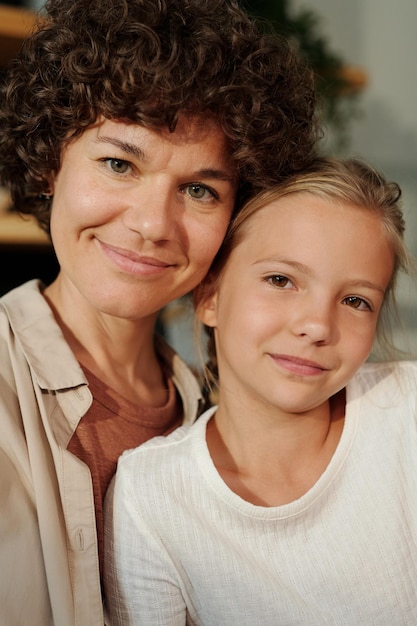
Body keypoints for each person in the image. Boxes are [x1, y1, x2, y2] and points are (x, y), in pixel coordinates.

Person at [0, 0, 319, 623]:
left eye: (200, 190)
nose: (151, 224)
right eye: (119, 163)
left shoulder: (224, 413)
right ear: (48, 165)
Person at [104, 157, 417, 625]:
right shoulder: (152, 496)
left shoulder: (407, 409)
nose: (316, 326)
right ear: (210, 296)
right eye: (280, 280)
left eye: (356, 301)